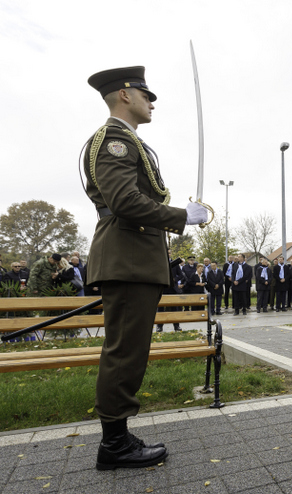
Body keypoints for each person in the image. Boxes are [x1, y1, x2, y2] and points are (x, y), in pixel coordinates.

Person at [84, 66, 208, 469]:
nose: (152, 102)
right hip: (128, 258)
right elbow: (124, 201)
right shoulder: (115, 140)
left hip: (133, 257)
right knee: (125, 353)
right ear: (124, 95)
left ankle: (117, 437)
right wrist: (181, 216)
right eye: (145, 95)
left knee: (130, 351)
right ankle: (114, 445)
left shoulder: (128, 140)